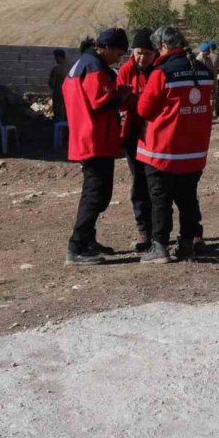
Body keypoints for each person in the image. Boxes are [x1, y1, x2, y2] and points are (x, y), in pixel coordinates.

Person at [136, 26, 215, 262]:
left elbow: (144, 109)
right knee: (188, 198)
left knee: (160, 199)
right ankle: (187, 244)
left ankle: (159, 246)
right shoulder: (203, 71)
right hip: (194, 150)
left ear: (163, 47)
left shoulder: (161, 73)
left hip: (162, 150)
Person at [62, 28, 130, 265]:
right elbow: (99, 103)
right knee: (95, 194)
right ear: (107, 48)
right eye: (118, 54)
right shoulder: (94, 67)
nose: (119, 59)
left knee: (98, 193)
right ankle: (76, 247)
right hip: (94, 139)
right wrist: (122, 94)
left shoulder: (82, 63)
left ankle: (87, 240)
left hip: (87, 137)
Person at [117, 29, 159, 252]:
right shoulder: (126, 71)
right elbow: (122, 103)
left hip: (157, 135)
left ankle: (162, 230)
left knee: (159, 183)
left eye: (147, 53)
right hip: (133, 135)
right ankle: (144, 229)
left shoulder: (160, 71)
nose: (141, 57)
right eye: (138, 52)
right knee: (140, 183)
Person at [48, 49, 68, 123]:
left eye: (56, 57)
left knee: (59, 116)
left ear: (59, 57)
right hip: (69, 94)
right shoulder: (70, 67)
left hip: (59, 94)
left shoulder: (56, 69)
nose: (55, 58)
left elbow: (52, 84)